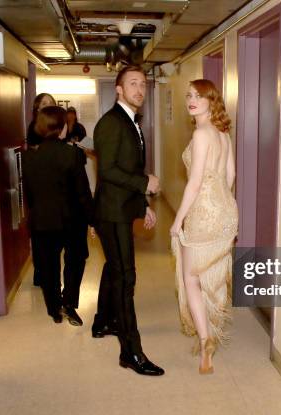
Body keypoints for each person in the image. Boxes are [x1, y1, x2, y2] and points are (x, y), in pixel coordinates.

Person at [92, 66, 164, 376]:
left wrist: (142, 203)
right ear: (118, 89)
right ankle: (131, 353)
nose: (140, 89)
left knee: (114, 268)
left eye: (143, 84)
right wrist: (144, 182)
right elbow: (108, 171)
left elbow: (125, 167)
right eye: (132, 83)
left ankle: (103, 321)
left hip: (122, 208)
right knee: (126, 278)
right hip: (111, 213)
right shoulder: (111, 123)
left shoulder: (130, 121)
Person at [170, 79, 238, 375]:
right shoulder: (223, 133)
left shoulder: (201, 134)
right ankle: (212, 326)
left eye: (199, 96)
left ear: (212, 100)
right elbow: (231, 176)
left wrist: (177, 221)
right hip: (225, 210)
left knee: (191, 278)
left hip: (203, 212)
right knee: (215, 273)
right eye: (189, 95)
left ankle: (205, 338)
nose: (191, 100)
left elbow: (195, 183)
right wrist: (222, 202)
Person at [22, 106, 94, 325]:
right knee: (75, 259)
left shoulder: (28, 158)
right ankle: (69, 303)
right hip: (72, 219)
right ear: (62, 128)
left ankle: (54, 308)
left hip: (42, 221)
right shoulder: (71, 154)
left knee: (48, 265)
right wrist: (92, 220)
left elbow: (30, 194)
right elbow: (83, 192)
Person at [27, 93, 56, 287]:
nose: (47, 106)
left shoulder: (59, 126)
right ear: (37, 109)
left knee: (55, 233)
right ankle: (40, 270)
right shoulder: (33, 128)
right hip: (39, 186)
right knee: (39, 231)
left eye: (50, 104)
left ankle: (51, 270)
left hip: (57, 185)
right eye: (43, 104)